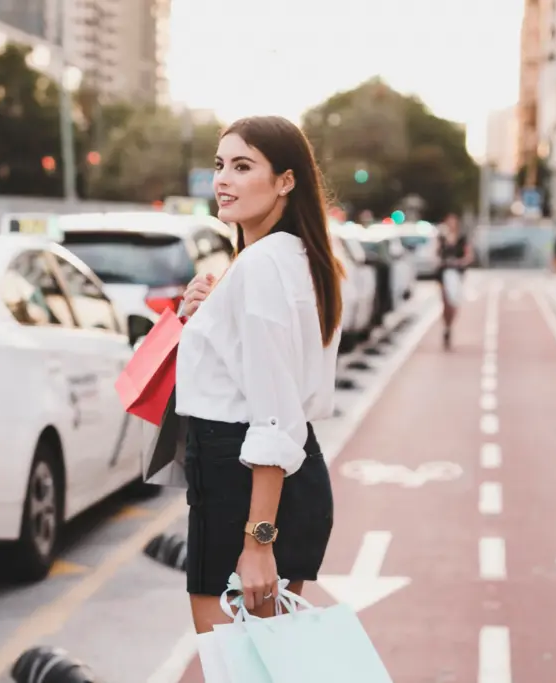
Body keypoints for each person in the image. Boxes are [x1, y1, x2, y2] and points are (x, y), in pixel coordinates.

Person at [175, 115, 345, 633]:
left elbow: (274, 416)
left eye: (243, 166)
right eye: (220, 165)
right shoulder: (296, 258)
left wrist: (257, 544)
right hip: (270, 483)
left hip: (243, 489)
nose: (222, 180)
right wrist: (200, 317)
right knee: (264, 664)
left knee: (235, 665)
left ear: (285, 181)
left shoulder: (260, 266)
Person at [436, 213, 473, 350]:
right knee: (445, 301)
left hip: (457, 274)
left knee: (454, 302)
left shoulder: (462, 238)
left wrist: (460, 262)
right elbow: (435, 254)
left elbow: (469, 255)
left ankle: (449, 325)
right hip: (443, 273)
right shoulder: (441, 238)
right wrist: (440, 262)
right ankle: (446, 327)